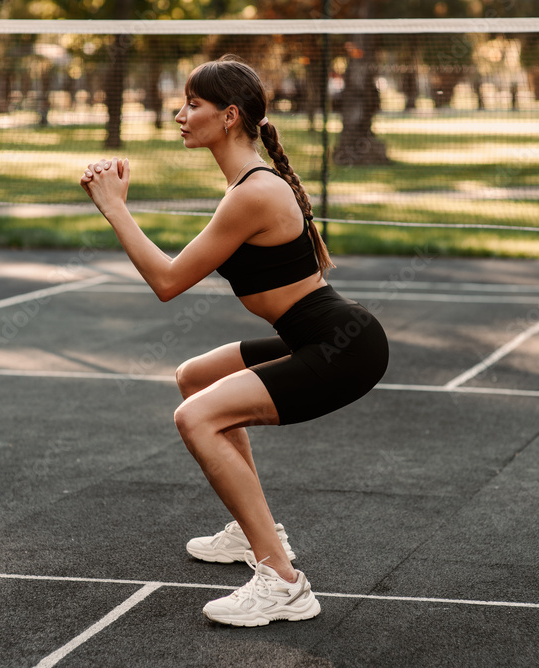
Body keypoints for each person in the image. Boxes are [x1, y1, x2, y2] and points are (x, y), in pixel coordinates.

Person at [80, 55, 389, 627]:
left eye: (192, 105)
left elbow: (168, 282)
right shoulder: (249, 185)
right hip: (318, 335)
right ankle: (255, 537)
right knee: (194, 378)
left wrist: (115, 209)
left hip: (341, 346)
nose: (179, 114)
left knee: (195, 418)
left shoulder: (252, 193)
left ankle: (283, 582)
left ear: (228, 116)